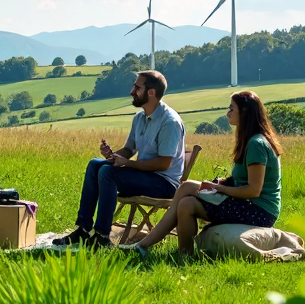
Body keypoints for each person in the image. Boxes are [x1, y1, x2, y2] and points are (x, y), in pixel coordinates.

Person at [129, 90, 283, 256]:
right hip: (247, 204)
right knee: (186, 203)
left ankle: (143, 246)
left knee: (186, 187)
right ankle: (184, 255)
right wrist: (221, 184)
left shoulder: (256, 144)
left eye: (232, 109)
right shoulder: (251, 140)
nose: (227, 113)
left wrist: (220, 189)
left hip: (259, 211)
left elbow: (253, 190)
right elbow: (243, 181)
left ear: (244, 113)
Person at [53, 70, 186, 248]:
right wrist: (113, 155)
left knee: (108, 173)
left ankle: (101, 236)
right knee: (95, 165)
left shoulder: (169, 122)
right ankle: (84, 230)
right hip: (144, 174)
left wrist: (128, 163)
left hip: (164, 183)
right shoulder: (140, 118)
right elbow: (129, 149)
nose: (132, 91)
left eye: (137, 87)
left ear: (151, 92)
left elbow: (164, 164)